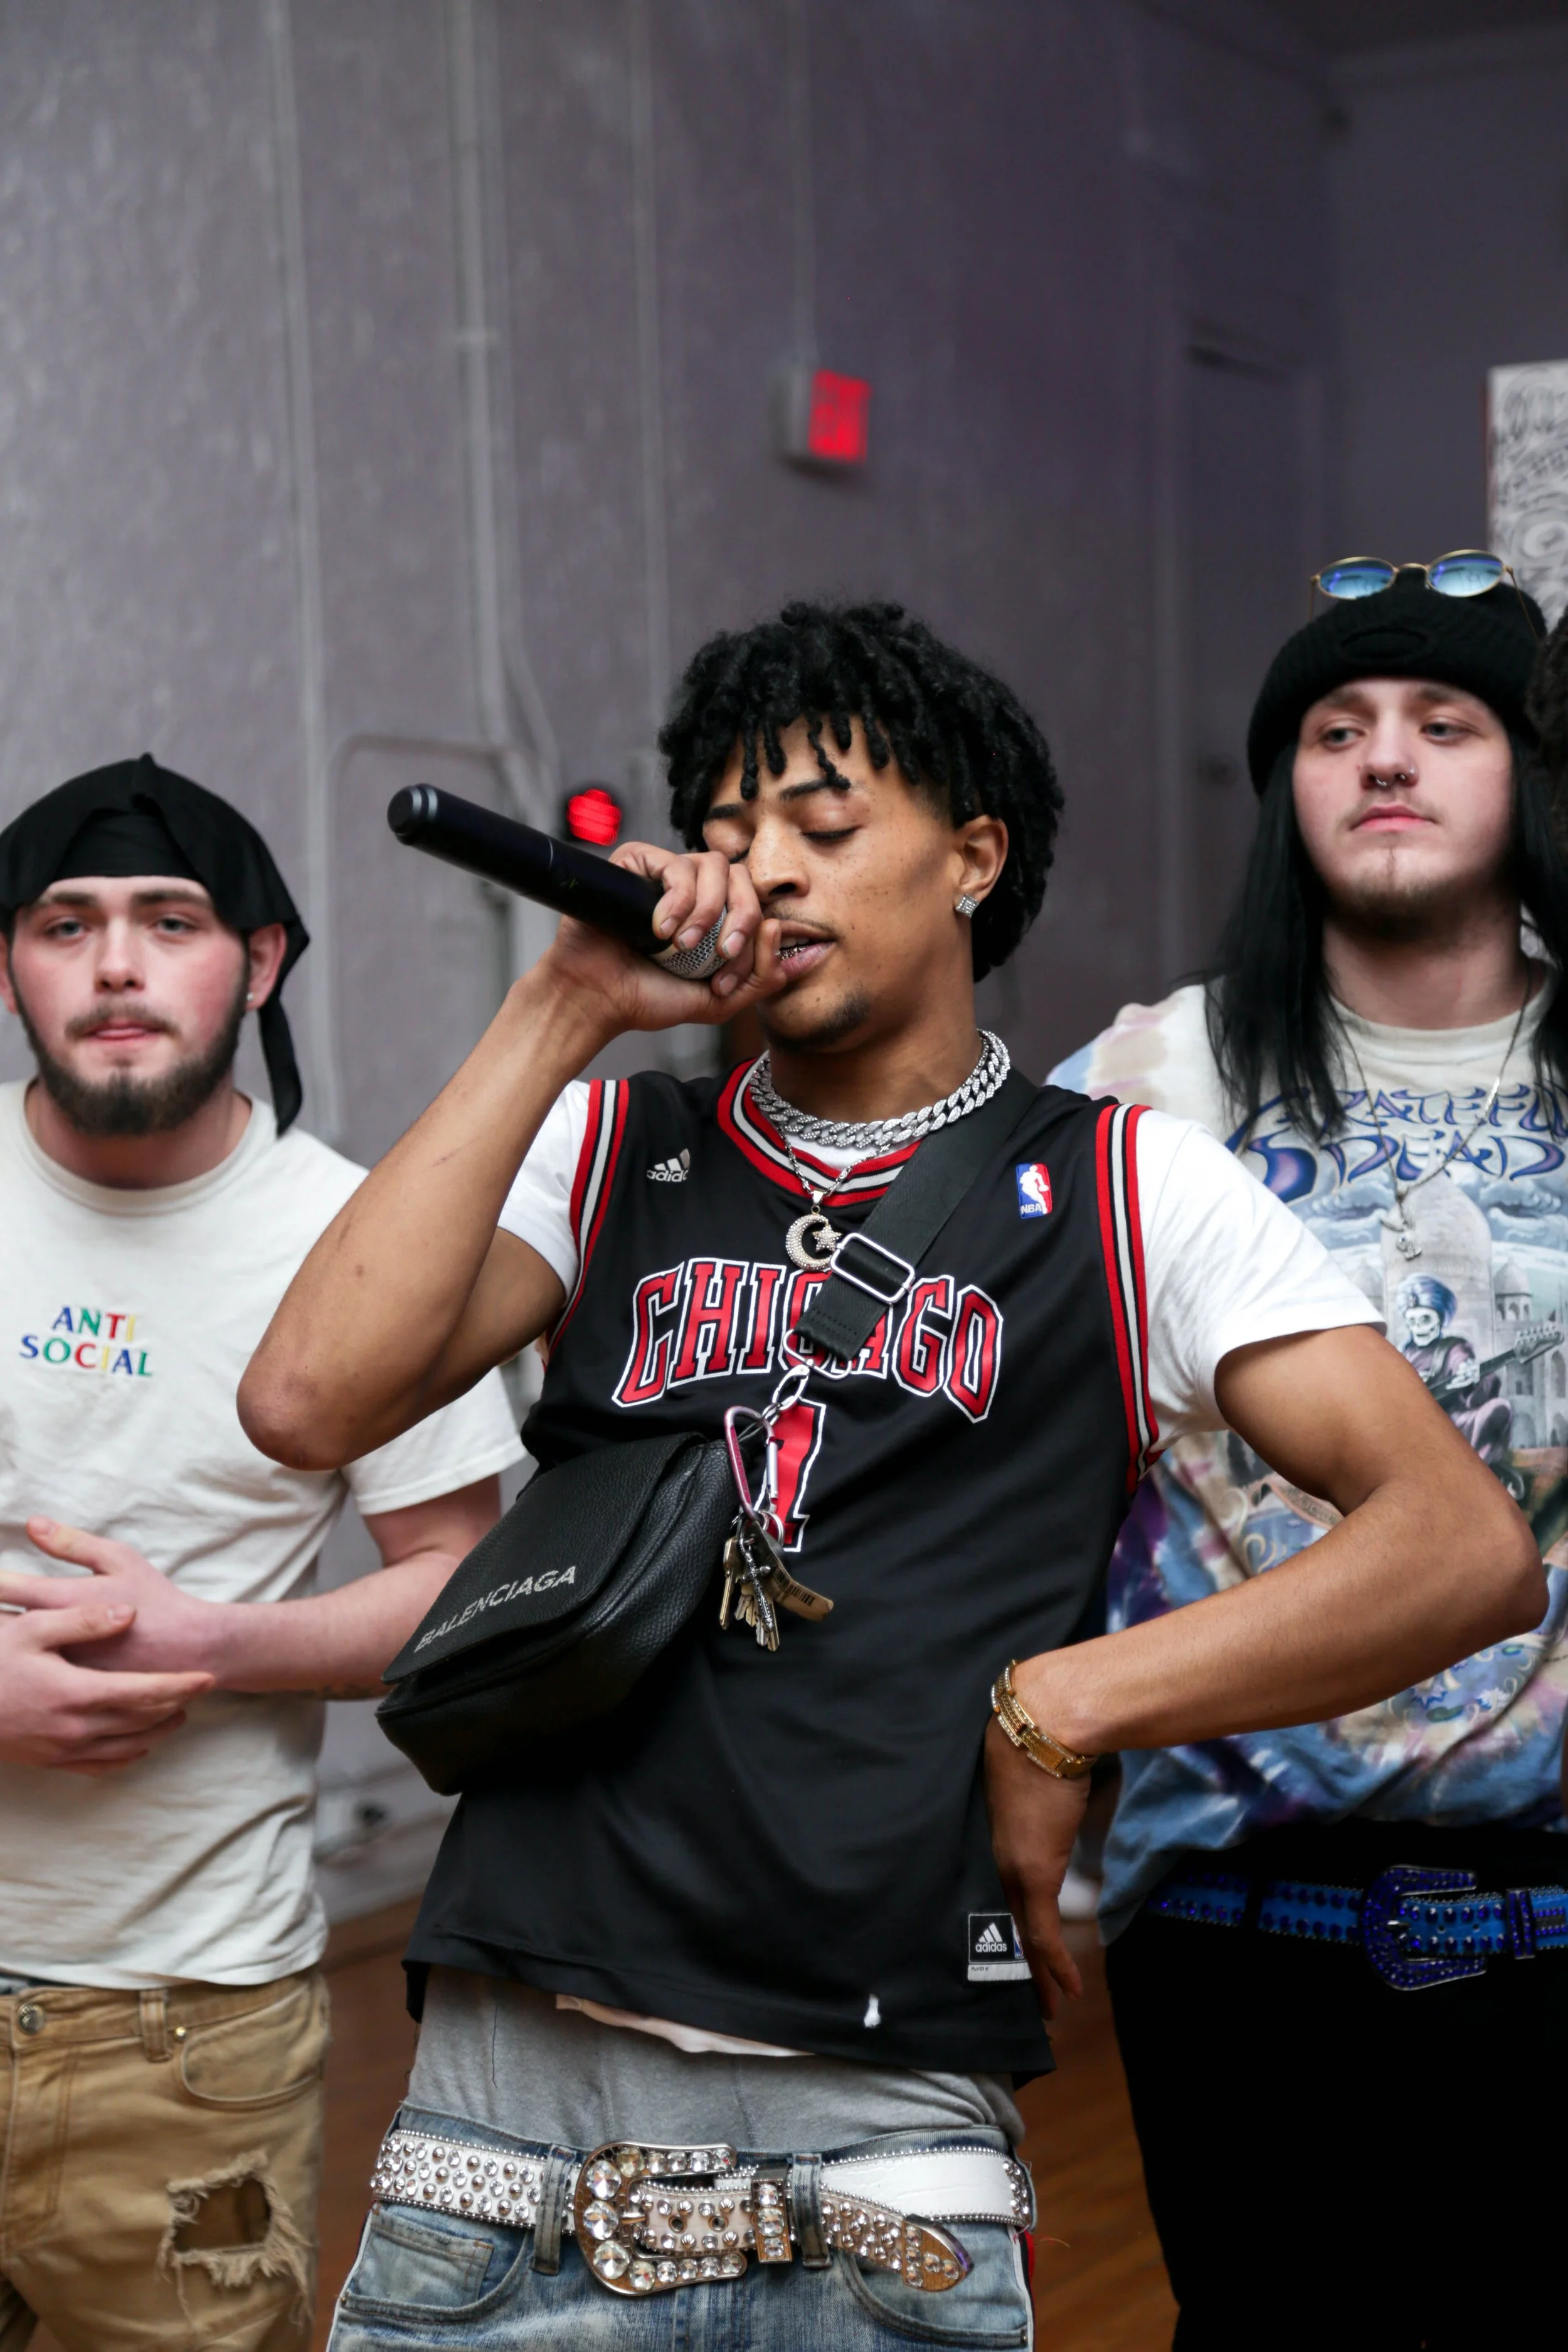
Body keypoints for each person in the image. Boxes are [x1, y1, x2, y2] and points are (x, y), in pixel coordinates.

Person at [240, 600, 1539, 2351]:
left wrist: (1066, 1703)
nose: (764, 868)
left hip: (885, 2146)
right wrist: (562, 1007)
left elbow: (1458, 1546)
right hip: (506, 2123)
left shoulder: (1125, 1186)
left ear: (971, 860)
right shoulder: (611, 1142)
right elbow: (306, 1397)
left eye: (825, 824)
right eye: (725, 833)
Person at [1052, 561, 1568, 2346]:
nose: (1384, 759)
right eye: (1334, 731)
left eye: (1444, 723)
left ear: (1530, 774)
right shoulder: (1150, 1079)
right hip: (1234, 1892)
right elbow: (1031, 1445)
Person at [0, 758, 522, 2352]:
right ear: (8, 964)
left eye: (171, 922)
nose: (115, 966)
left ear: (262, 960)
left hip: (184, 2027)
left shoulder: (360, 1241)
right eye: (65, 925)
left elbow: (458, 1586)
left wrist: (207, 1641)